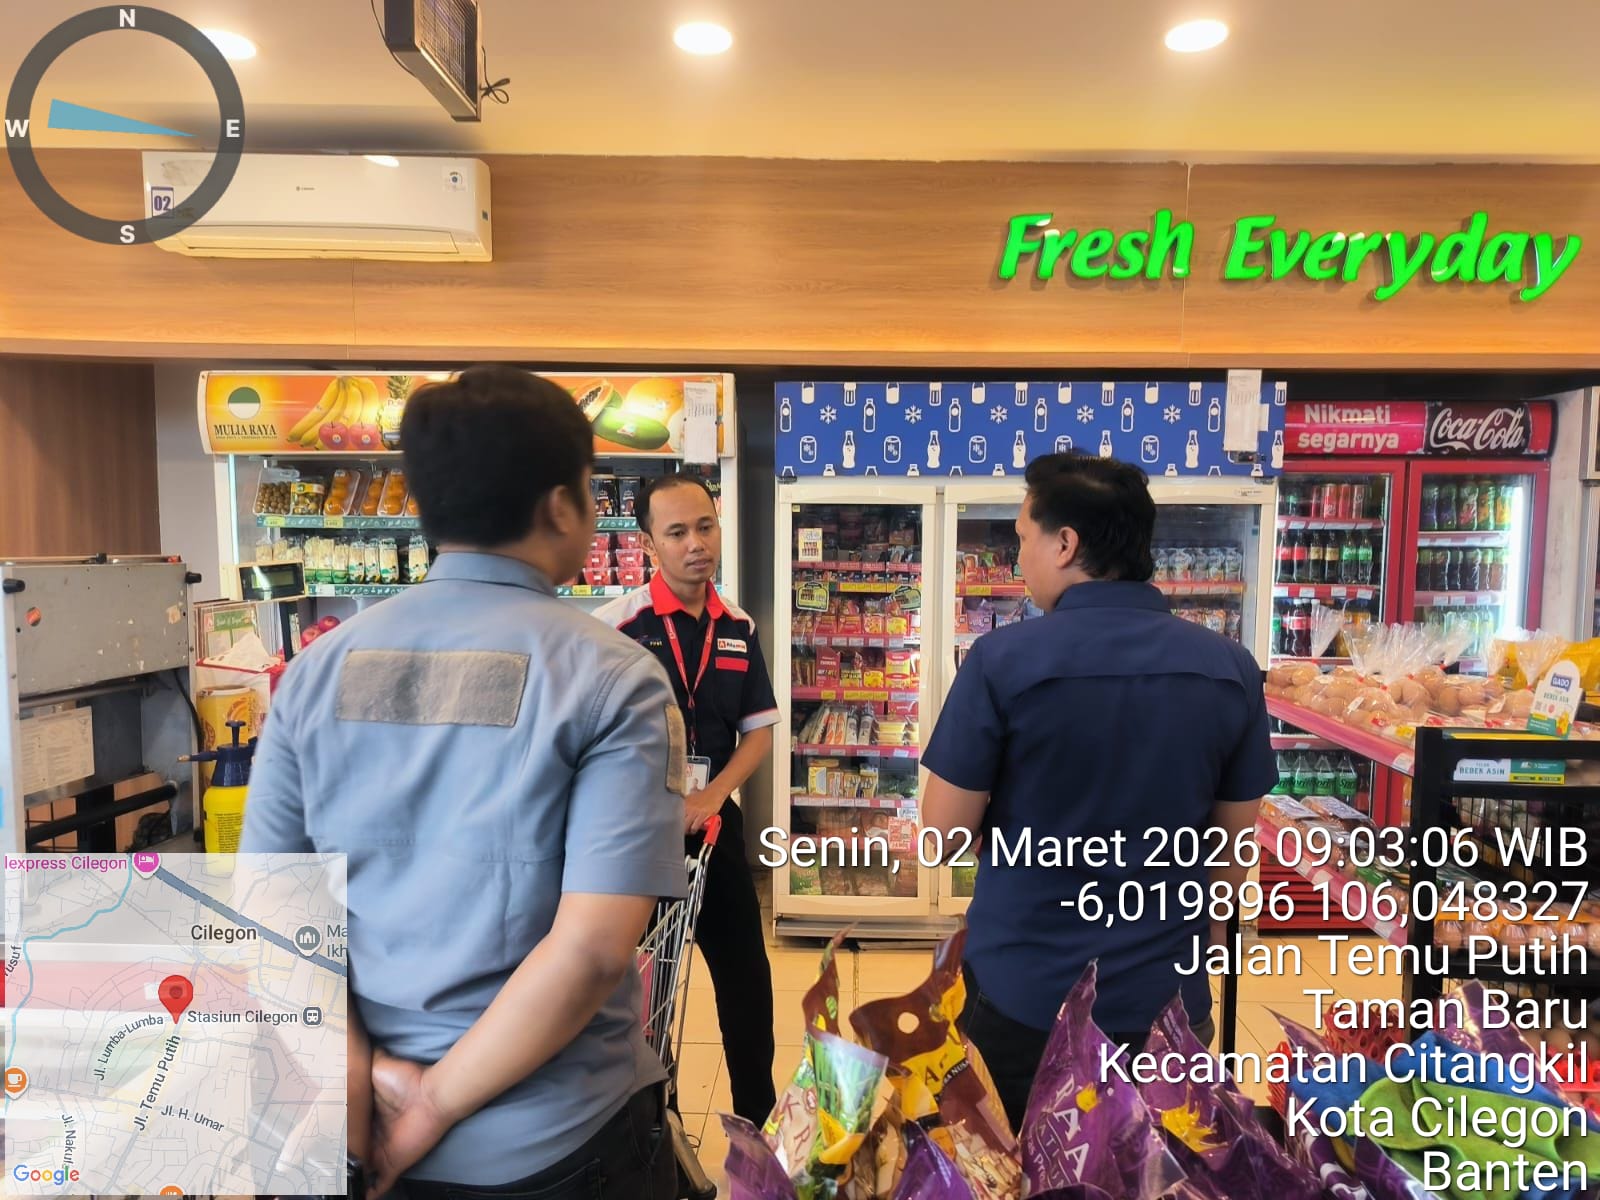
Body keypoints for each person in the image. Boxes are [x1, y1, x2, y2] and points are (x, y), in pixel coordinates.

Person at [240, 366, 687, 1199]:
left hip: (360, 1135)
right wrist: (432, 1104)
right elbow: (593, 949)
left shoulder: (314, 673)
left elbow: (272, 907)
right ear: (562, 506)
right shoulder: (615, 679)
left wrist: (361, 1083)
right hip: (558, 1139)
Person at [921, 451, 1275, 1128]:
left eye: (1023, 538)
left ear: (1065, 544)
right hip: (1166, 1005)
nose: (1018, 557)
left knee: (1012, 1165)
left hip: (1024, 996)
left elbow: (941, 836)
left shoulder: (1001, 662)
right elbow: (1232, 856)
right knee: (1153, 1168)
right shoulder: (1229, 668)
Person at [595, 473, 780, 1125]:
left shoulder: (738, 627)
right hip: (639, 840)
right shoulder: (616, 628)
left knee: (747, 985)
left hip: (715, 832)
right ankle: (648, 1124)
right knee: (642, 993)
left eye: (705, 526)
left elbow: (758, 731)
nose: (696, 543)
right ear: (648, 544)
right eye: (677, 532)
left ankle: (757, 1124)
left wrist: (712, 798)